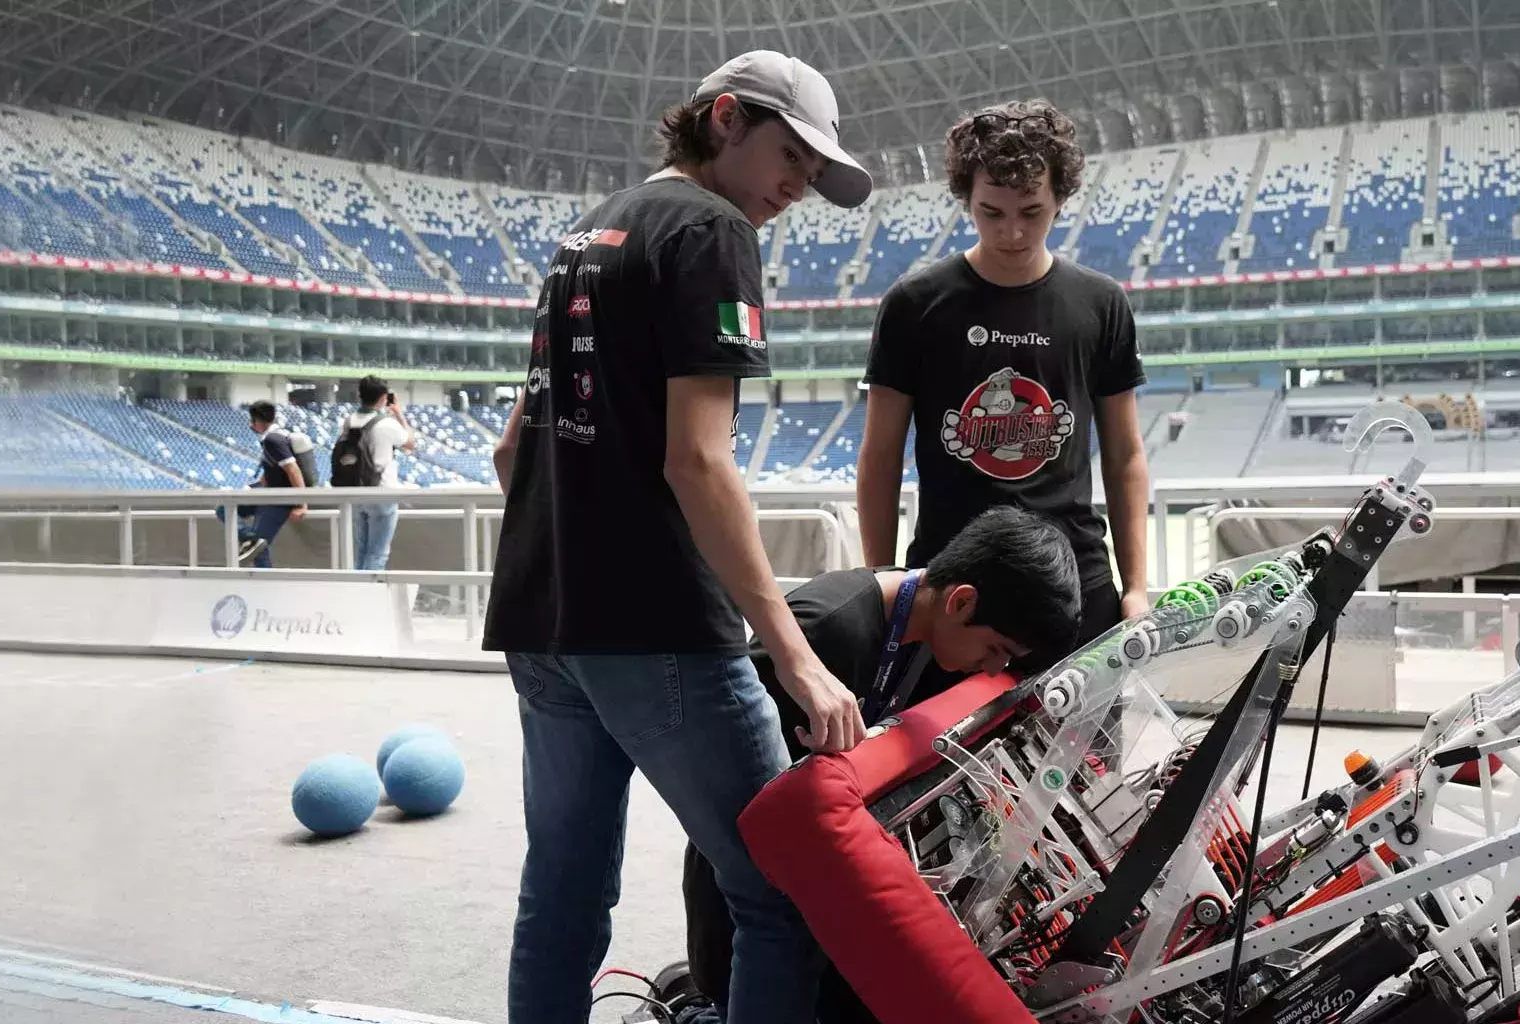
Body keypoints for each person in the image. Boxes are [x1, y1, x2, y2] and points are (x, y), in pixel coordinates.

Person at [482, 49, 875, 1024]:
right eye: (791, 154)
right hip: (652, 623)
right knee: (785, 890)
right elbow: (697, 461)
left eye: (816, 172)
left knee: (564, 895)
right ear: (725, 117)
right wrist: (796, 655)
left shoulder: (589, 229)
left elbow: (510, 452)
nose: (799, 185)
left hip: (542, 612)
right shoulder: (711, 231)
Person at [673, 506, 1084, 1024]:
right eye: (997, 650)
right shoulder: (824, 629)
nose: (995, 669)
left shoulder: (933, 637)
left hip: (825, 894)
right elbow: (724, 809)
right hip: (753, 913)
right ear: (961, 601)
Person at [856, 98, 1152, 676]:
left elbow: (1125, 456)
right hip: (952, 589)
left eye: (1032, 211)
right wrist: (881, 578)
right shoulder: (914, 304)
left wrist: (1136, 585)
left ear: (1061, 199)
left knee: (1084, 763)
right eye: (991, 212)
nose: (1011, 231)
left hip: (1074, 580)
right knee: (944, 764)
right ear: (965, 197)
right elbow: (880, 456)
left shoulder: (1101, 303)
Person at [331, 375, 416, 570]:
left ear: (359, 394)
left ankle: (360, 594)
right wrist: (400, 415)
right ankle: (370, 597)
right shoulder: (386, 423)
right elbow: (410, 443)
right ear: (384, 398)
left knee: (361, 551)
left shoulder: (347, 422)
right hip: (381, 493)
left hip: (355, 493)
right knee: (377, 553)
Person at [230, 400, 312, 567]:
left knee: (258, 550)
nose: (251, 425)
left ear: (257, 421)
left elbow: (293, 470)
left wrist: (302, 504)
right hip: (270, 493)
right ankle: (250, 539)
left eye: (252, 420)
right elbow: (278, 469)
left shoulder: (273, 440)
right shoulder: (274, 437)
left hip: (279, 500)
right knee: (225, 508)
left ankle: (252, 543)